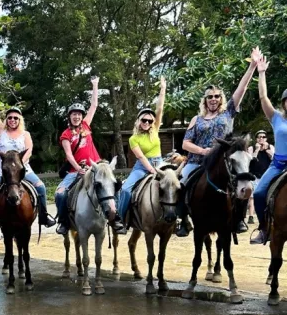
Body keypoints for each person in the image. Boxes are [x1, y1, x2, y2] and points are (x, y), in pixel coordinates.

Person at [175, 47, 261, 237]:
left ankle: (239, 220)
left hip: (224, 162)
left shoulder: (228, 112)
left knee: (245, 184)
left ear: (221, 99)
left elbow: (242, 89)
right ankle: (183, 221)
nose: (213, 99)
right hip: (198, 162)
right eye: (209, 97)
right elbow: (185, 144)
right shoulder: (196, 120)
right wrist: (203, 151)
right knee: (180, 184)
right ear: (204, 100)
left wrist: (252, 67)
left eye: (216, 96)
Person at [0, 81, 55, 236]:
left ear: (20, 120)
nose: (12, 120)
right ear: (6, 120)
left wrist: (20, 164)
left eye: (15, 118)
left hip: (22, 170)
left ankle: (43, 216)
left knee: (41, 187)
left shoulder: (25, 134)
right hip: (0, 172)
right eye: (9, 118)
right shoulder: (1, 131)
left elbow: (29, 151)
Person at [54, 77, 125, 236]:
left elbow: (94, 105)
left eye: (79, 114)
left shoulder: (86, 125)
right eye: (74, 114)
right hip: (75, 171)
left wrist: (95, 85)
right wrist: (78, 168)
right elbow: (68, 155)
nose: (77, 117)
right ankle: (64, 222)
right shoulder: (65, 135)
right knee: (60, 193)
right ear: (69, 116)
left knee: (116, 186)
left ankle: (115, 217)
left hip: (97, 167)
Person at [117, 77, 167, 224]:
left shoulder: (155, 130)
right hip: (143, 166)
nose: (147, 123)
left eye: (149, 121)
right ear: (138, 121)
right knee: (126, 189)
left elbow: (160, 108)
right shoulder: (133, 138)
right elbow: (141, 157)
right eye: (143, 120)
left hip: (160, 163)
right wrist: (152, 170)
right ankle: (120, 218)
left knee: (176, 183)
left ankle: (181, 219)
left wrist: (163, 89)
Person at [251, 56, 287, 244]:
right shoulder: (276, 118)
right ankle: (264, 228)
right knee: (258, 193)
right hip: (278, 164)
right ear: (284, 103)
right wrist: (262, 73)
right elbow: (263, 97)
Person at [247, 129, 274, 224]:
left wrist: (267, 150)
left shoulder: (270, 147)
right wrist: (257, 150)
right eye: (259, 137)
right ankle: (251, 216)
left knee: (267, 195)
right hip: (254, 175)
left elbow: (274, 159)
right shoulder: (251, 148)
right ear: (256, 139)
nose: (261, 139)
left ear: (266, 138)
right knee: (252, 196)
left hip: (266, 175)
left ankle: (267, 215)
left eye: (263, 137)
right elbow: (250, 160)